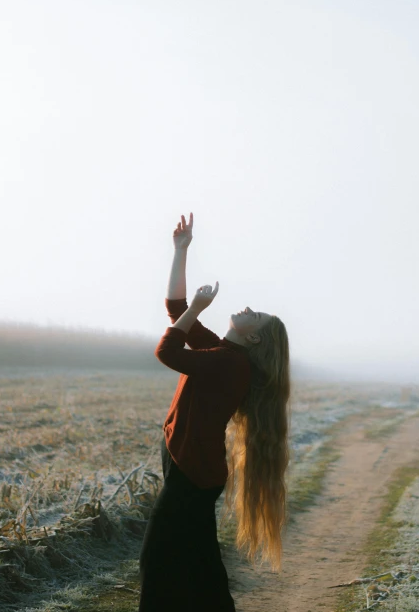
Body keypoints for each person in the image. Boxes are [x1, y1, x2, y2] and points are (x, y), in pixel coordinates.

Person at [138, 212, 291, 612]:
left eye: (254, 314)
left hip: (192, 474)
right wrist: (180, 251)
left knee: (157, 564)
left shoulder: (229, 362)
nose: (246, 308)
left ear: (253, 335)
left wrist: (199, 307)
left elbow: (167, 350)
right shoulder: (227, 354)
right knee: (199, 566)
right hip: (191, 467)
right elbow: (177, 310)